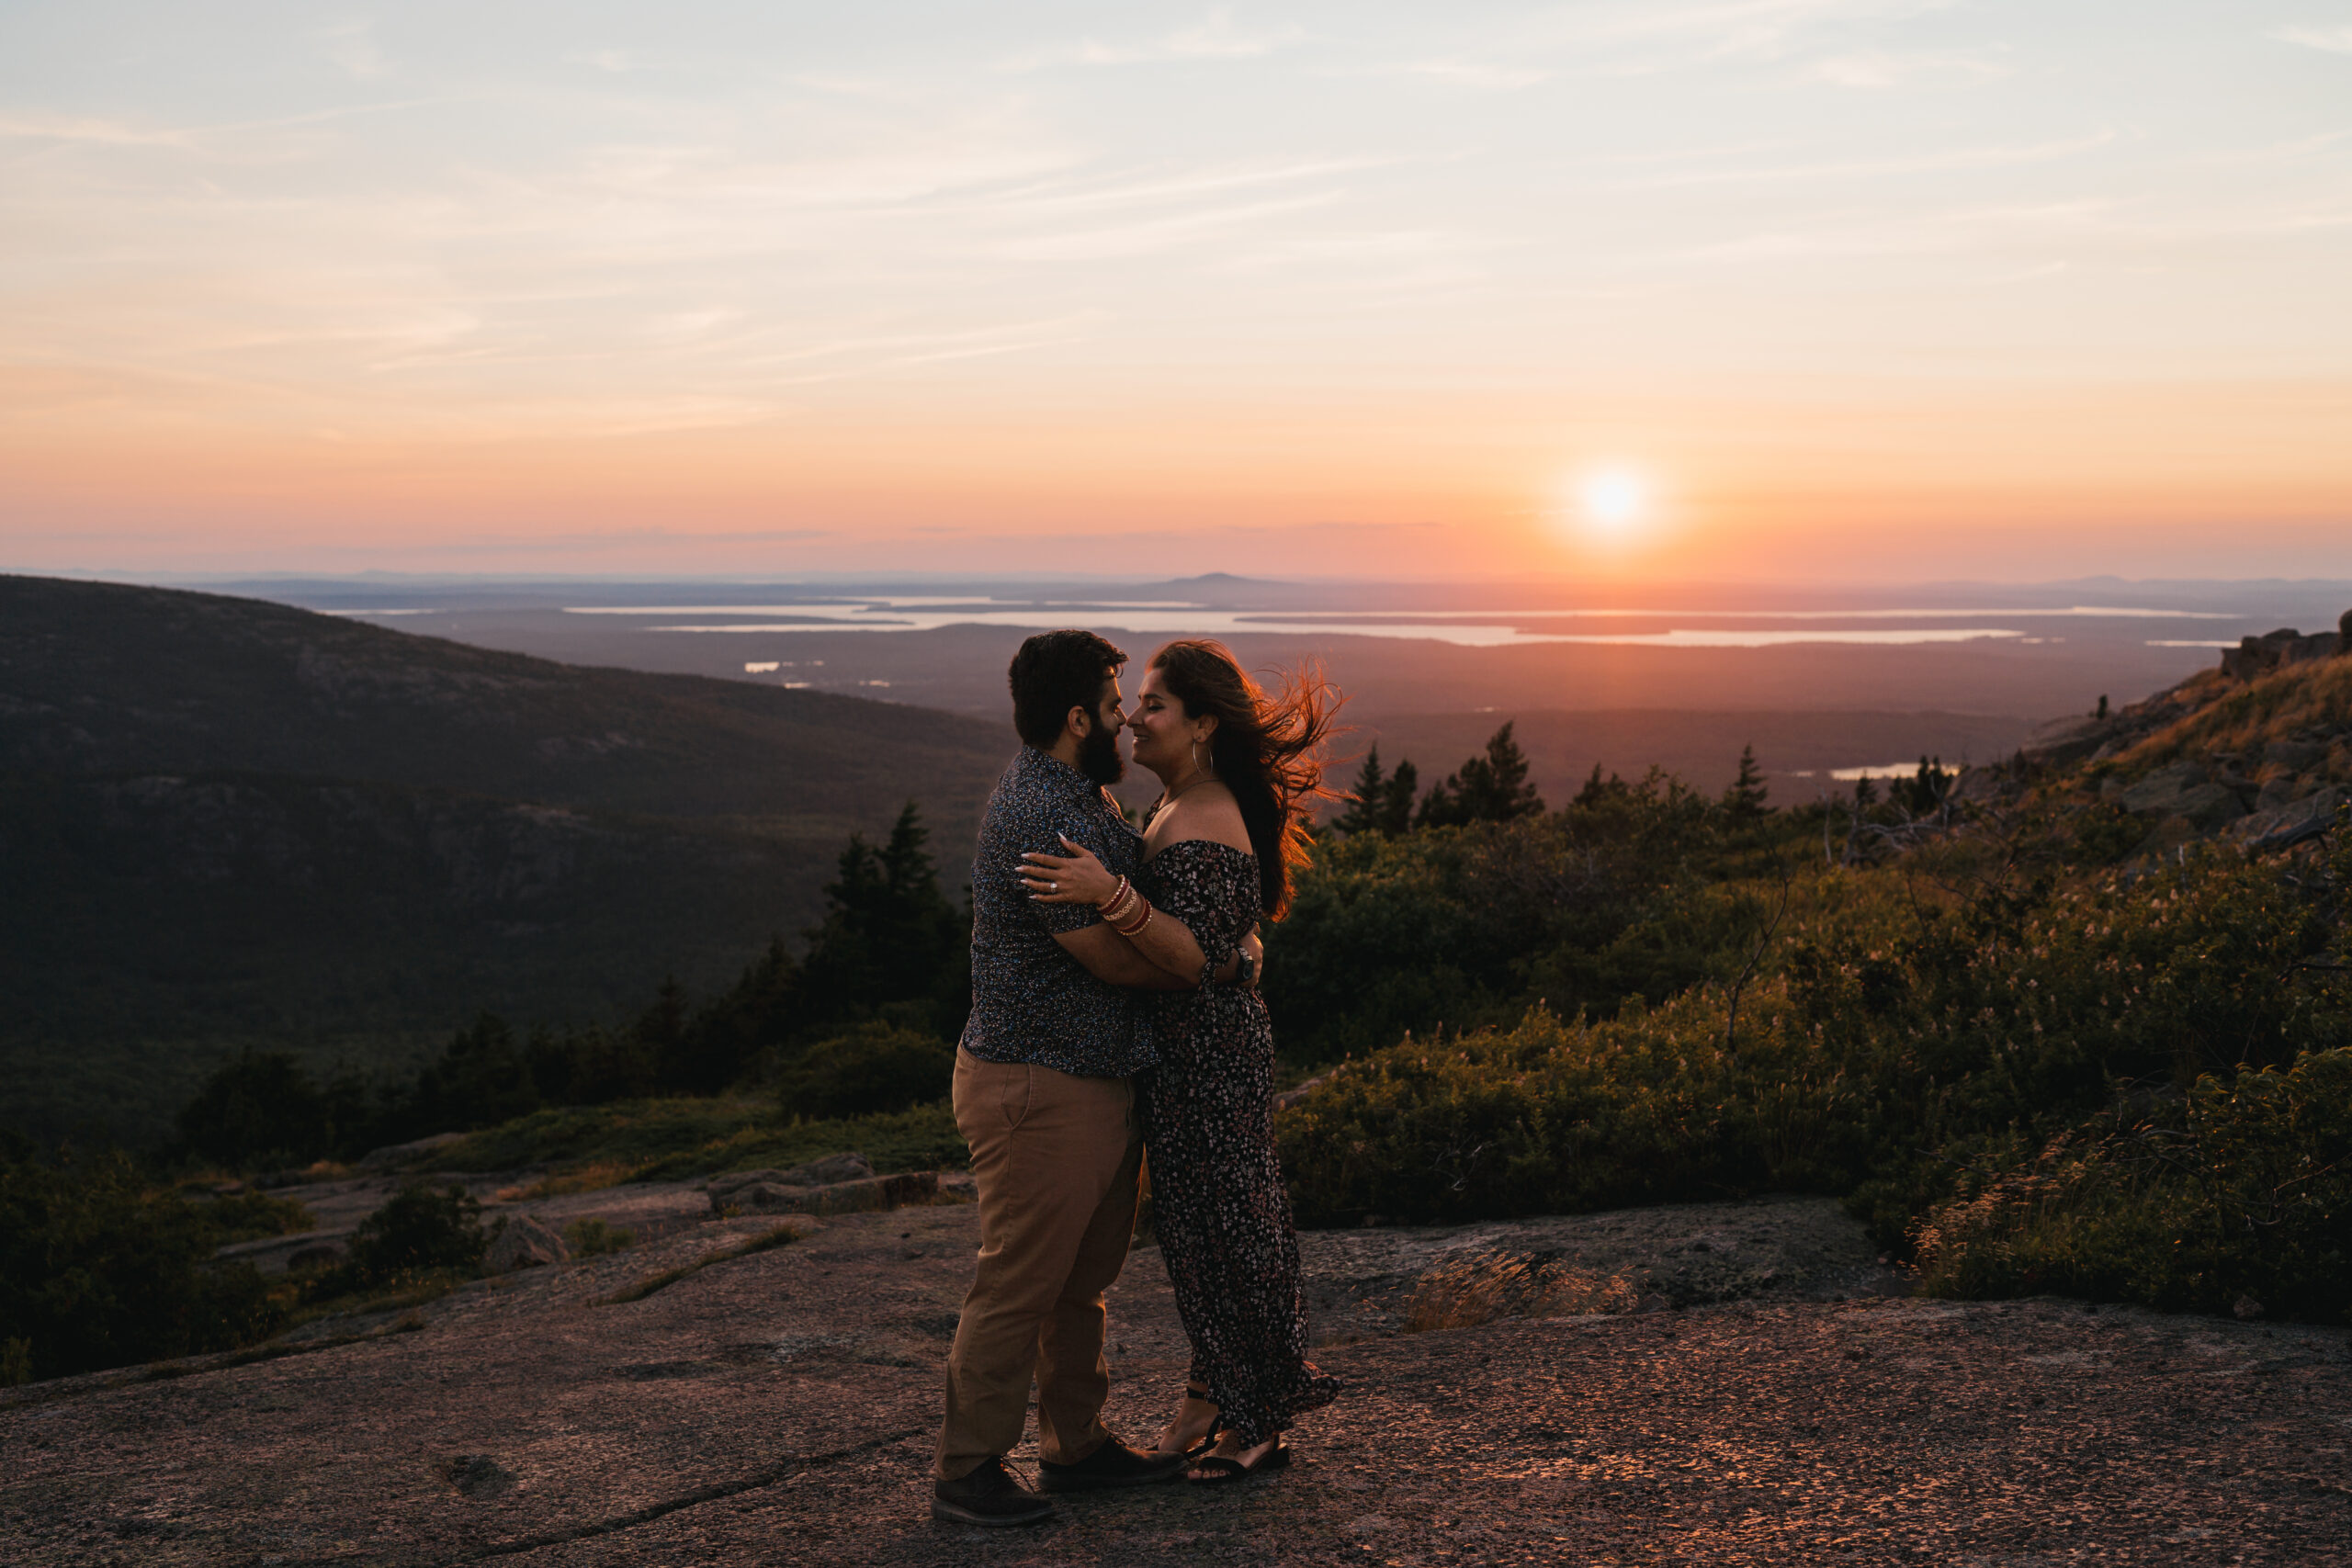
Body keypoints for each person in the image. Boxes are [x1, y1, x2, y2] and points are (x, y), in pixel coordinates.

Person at [933, 629, 1260, 1528]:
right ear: (1078, 717)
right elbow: (1115, 964)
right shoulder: (1046, 816)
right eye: (1115, 700)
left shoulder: (1082, 796)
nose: (1125, 714)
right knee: (1022, 1278)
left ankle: (1074, 1448)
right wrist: (1216, 966)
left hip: (1091, 1078)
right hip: (1039, 1082)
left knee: (1079, 1280)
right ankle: (967, 1472)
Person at [1022, 638, 1342, 1484]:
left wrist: (1110, 895)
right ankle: (1211, 1389)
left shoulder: (1202, 815)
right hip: (1186, 1053)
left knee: (1235, 1225)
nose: (1133, 714)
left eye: (1154, 703)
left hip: (1212, 1057)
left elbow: (1197, 955)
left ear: (1203, 723)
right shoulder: (1181, 804)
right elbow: (1228, 943)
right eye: (1136, 701)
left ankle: (1258, 1415)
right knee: (1199, 1230)